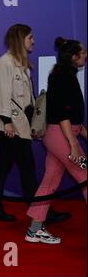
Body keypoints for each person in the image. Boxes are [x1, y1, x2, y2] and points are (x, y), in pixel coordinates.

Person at [0, 24, 70, 222]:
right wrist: (6, 122)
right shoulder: (5, 62)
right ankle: (40, 213)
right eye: (30, 37)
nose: (33, 41)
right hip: (7, 126)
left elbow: (26, 99)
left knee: (4, 166)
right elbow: (1, 94)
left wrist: (34, 119)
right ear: (20, 38)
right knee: (27, 167)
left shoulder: (22, 64)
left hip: (16, 124)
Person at [25, 37, 87, 244]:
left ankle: (34, 230)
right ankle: (35, 230)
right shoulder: (62, 76)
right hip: (61, 136)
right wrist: (75, 144)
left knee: (50, 181)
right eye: (83, 52)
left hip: (59, 135)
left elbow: (73, 118)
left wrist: (82, 135)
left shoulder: (64, 75)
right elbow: (62, 115)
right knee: (85, 175)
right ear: (73, 56)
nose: (85, 55)